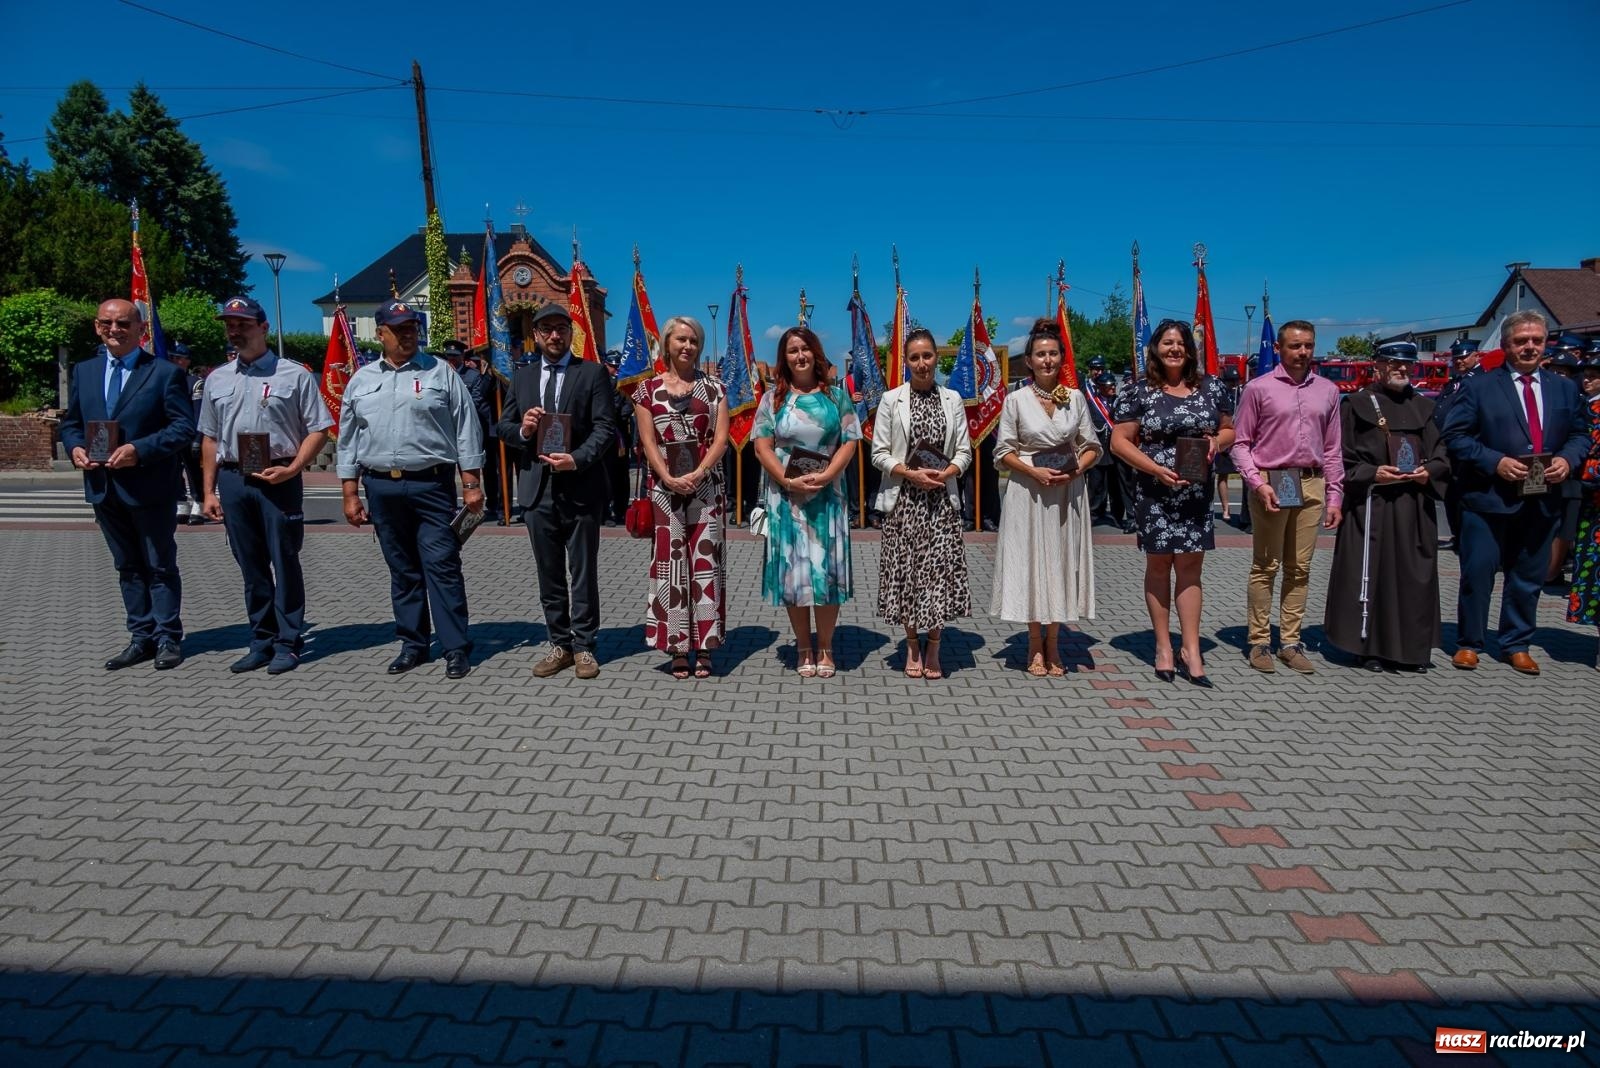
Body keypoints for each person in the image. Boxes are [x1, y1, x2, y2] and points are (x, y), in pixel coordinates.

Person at [336, 300, 485, 679]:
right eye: (398, 329)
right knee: (402, 569)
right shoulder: (363, 379)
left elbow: (466, 427)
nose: (407, 335)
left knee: (442, 566)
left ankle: (455, 647)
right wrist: (350, 492)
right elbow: (349, 440)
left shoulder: (441, 373)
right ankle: (413, 644)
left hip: (431, 485)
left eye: (412, 328)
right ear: (380, 333)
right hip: (381, 486)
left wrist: (471, 484)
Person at [1441, 310, 1590, 675]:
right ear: (1506, 345)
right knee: (1477, 573)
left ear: (1545, 345)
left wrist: (1568, 460)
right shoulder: (1479, 387)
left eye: (1536, 340)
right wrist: (1495, 462)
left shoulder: (1564, 388)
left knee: (1528, 576)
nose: (1529, 347)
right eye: (1521, 340)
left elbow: (1581, 434)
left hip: (1541, 498)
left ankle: (1516, 642)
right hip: (1488, 498)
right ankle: (1469, 643)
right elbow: (1456, 437)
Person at [198, 296, 334, 674]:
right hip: (233, 477)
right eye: (230, 324)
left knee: (284, 561)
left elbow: (319, 429)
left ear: (263, 328)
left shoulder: (293, 375)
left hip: (278, 477)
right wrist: (209, 491)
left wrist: (294, 468)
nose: (235, 330)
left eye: (243, 323)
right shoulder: (217, 379)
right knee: (251, 565)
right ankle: (261, 640)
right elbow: (209, 438)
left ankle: (288, 643)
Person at [59, 298, 195, 670]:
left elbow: (183, 428)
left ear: (140, 330)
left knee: (159, 565)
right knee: (128, 566)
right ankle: (141, 636)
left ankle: (169, 636)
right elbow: (71, 423)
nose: (114, 330)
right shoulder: (85, 371)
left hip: (149, 486)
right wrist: (74, 449)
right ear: (96, 326)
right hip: (103, 485)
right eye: (106, 323)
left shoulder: (164, 373)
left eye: (123, 324)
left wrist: (140, 449)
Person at [496, 303, 616, 679]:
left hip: (580, 486)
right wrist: (524, 431)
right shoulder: (523, 377)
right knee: (548, 572)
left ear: (570, 333)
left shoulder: (592, 373)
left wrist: (577, 459)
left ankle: (584, 646)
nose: (554, 335)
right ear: (535, 334)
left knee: (582, 572)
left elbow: (605, 428)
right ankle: (559, 644)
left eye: (561, 328)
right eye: (546, 329)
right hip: (537, 490)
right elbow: (503, 427)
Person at [1111, 319, 1234, 687]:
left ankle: (1191, 649)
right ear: (1155, 349)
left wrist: (1217, 443)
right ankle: (1164, 646)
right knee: (1160, 566)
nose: (1174, 349)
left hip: (1195, 494)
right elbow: (1119, 441)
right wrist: (1156, 469)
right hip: (1155, 492)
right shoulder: (1139, 392)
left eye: (1180, 343)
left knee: (1191, 568)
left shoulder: (1212, 388)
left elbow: (1230, 428)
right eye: (1167, 343)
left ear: (1189, 349)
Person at [1323, 343, 1450, 672]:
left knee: (1413, 576)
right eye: (1394, 364)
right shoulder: (1357, 405)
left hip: (1413, 506)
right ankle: (1370, 649)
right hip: (1372, 504)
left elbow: (1442, 453)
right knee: (1373, 574)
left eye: (1408, 365)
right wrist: (1370, 473)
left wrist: (1430, 471)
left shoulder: (1424, 407)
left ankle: (1412, 651)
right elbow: (1340, 455)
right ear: (1377, 367)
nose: (1402, 370)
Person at [1230, 319, 1345, 675]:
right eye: (1295, 346)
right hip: (1272, 481)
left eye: (1308, 345)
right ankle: (1259, 641)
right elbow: (1240, 443)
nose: (1303, 352)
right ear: (1278, 349)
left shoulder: (1328, 391)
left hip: (1310, 484)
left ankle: (1290, 642)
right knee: (1266, 566)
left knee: (1300, 568)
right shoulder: (1258, 389)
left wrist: (1335, 495)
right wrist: (1256, 483)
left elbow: (1333, 449)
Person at [991, 319, 1100, 677]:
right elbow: (1002, 451)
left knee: (1060, 562)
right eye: (1040, 354)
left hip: (1067, 493)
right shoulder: (1015, 401)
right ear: (1030, 361)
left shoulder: (1076, 398)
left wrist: (1077, 470)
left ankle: (1055, 644)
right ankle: (1034, 644)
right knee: (1032, 563)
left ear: (1062, 358)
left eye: (1053, 353)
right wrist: (1033, 471)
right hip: (1028, 490)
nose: (1047, 360)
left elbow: (1092, 446)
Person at [752, 326, 861, 678]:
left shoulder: (836, 396)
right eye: (792, 351)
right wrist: (785, 479)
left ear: (816, 353)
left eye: (805, 349)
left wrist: (829, 475)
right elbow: (761, 446)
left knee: (826, 574)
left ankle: (826, 647)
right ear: (784, 358)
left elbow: (850, 440)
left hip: (828, 497)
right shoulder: (773, 400)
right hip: (787, 499)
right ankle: (803, 646)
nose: (799, 356)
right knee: (795, 574)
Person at [630, 316, 730, 679]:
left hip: (706, 488)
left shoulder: (715, 389)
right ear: (667, 344)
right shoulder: (646, 391)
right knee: (671, 566)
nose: (688, 346)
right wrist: (669, 477)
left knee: (705, 566)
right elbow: (648, 442)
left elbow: (720, 440)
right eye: (681, 340)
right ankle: (676, 644)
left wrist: (699, 473)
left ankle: (704, 645)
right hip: (665, 491)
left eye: (694, 341)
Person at [871, 328, 973, 680]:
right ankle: (911, 644)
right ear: (906, 361)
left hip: (941, 502)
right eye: (914, 357)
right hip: (904, 502)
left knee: (937, 577)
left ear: (936, 358)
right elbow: (878, 453)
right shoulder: (891, 400)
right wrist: (909, 474)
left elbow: (965, 450)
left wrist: (949, 472)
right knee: (907, 577)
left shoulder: (953, 399)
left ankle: (934, 646)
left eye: (927, 356)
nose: (921, 363)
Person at [1565, 349, 1600, 668]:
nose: (1587, 379)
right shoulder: (1585, 408)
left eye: (1595, 374)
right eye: (1585, 373)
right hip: (1594, 511)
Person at [1434, 339, 1484, 552]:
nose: (1459, 361)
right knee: (1450, 495)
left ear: (1476, 356)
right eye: (1456, 357)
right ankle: (1457, 536)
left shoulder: (1481, 380)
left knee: (1464, 496)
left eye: (1464, 356)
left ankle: (1467, 538)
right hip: (1448, 447)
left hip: (1467, 447)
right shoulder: (1454, 381)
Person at [168, 342, 207, 526]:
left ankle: (199, 504)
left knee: (194, 473)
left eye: (179, 358)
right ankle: (181, 504)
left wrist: (198, 438)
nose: (175, 361)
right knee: (174, 473)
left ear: (187, 362)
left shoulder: (195, 383)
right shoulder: (166, 381)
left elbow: (199, 413)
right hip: (171, 435)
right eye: (172, 358)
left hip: (190, 435)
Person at [1214, 364, 1244, 526]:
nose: (1233, 384)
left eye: (1235, 380)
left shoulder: (1241, 393)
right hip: (1224, 437)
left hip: (1239, 438)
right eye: (1230, 381)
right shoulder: (1220, 394)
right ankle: (1226, 508)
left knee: (1244, 473)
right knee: (1223, 474)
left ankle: (1245, 512)